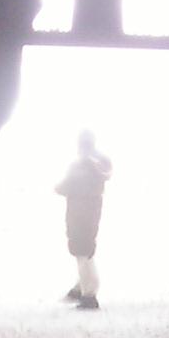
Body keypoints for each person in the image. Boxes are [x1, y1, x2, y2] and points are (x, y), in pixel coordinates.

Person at [54, 129, 112, 309]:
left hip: (77, 215)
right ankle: (81, 288)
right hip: (93, 213)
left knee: (81, 254)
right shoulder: (102, 163)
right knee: (88, 252)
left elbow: (62, 187)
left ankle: (89, 295)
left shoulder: (78, 166)